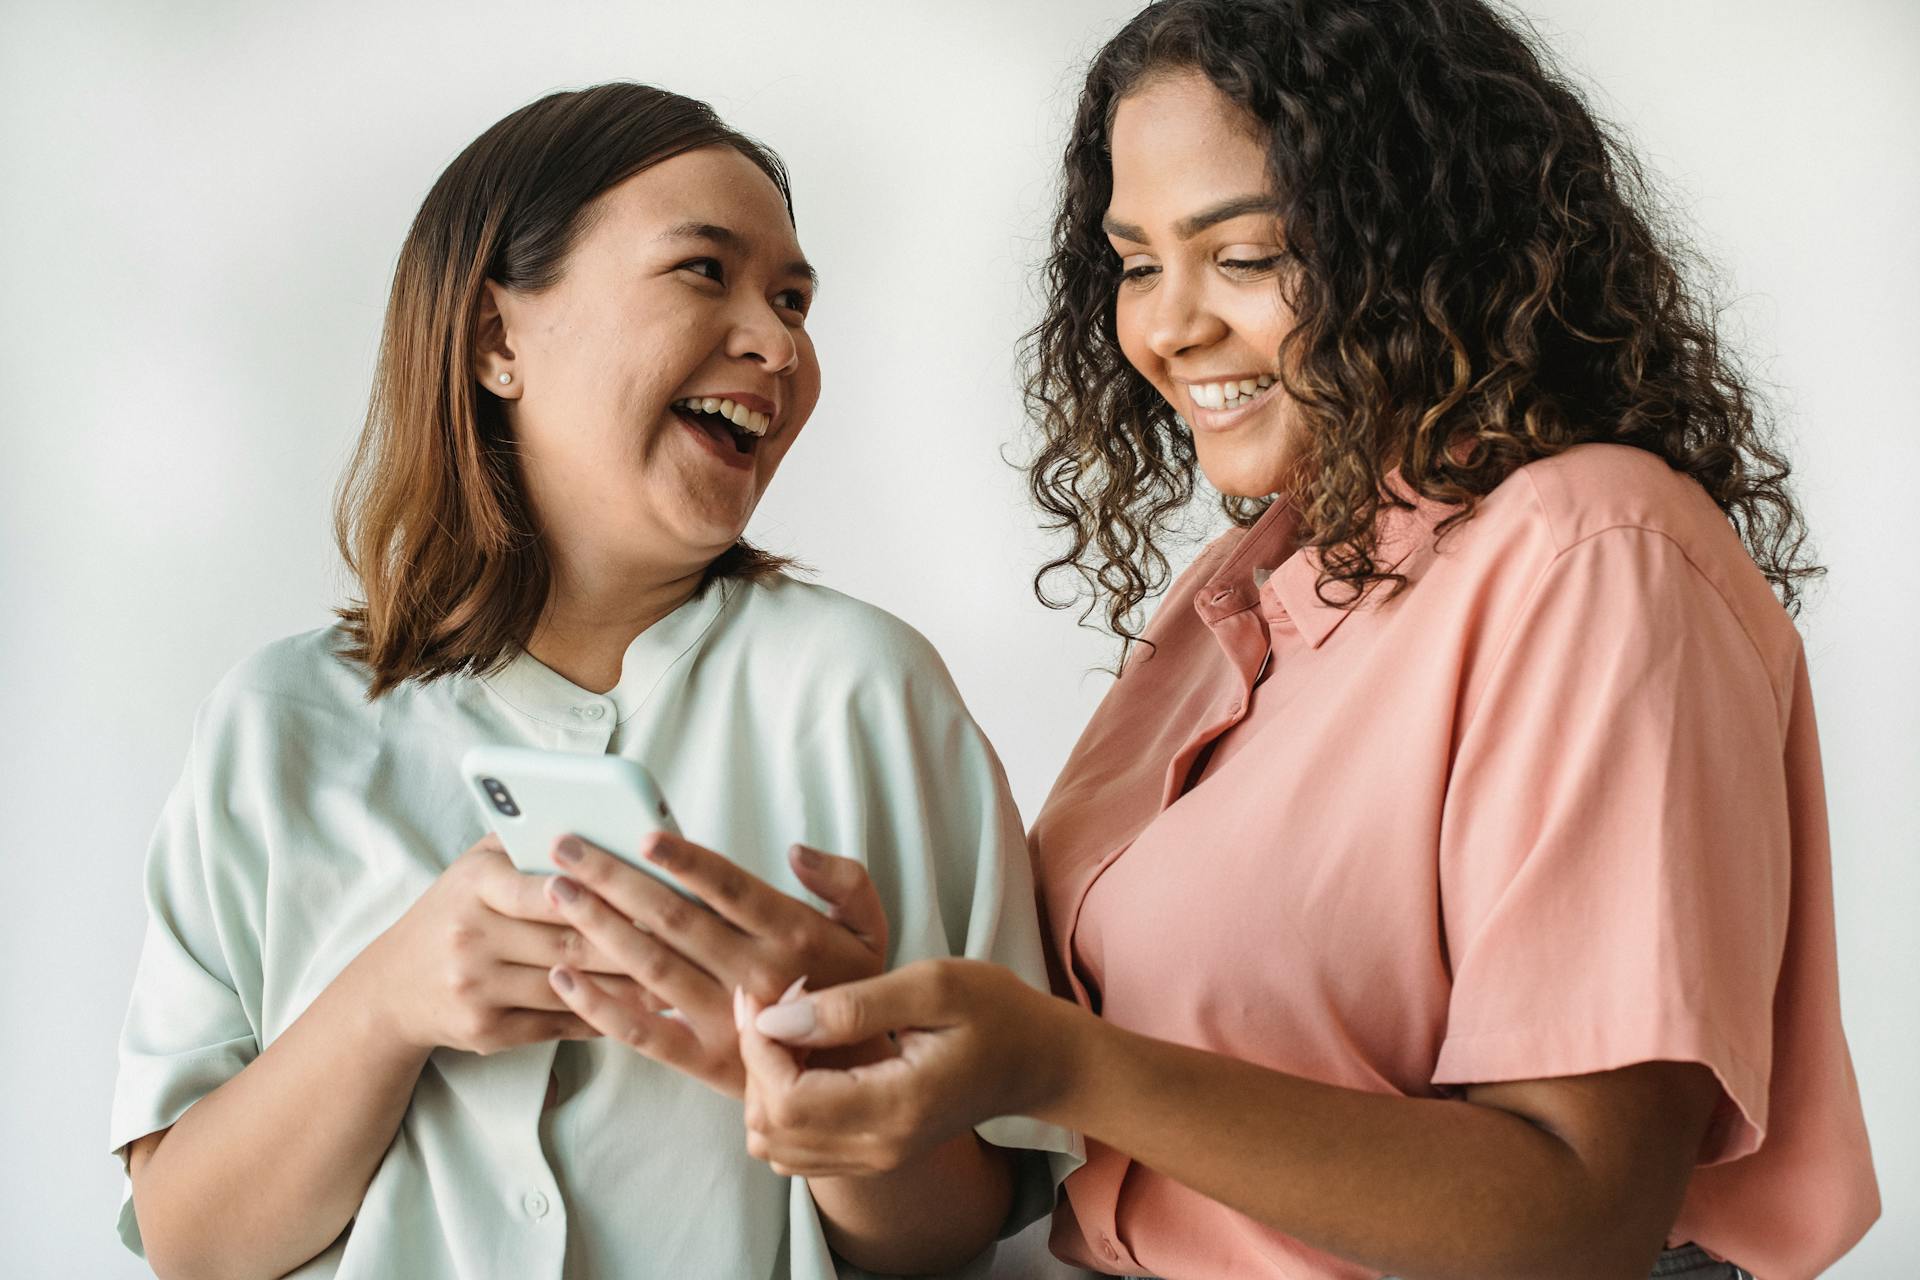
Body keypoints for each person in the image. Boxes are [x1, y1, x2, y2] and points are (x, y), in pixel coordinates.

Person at [711, 3, 1882, 1278]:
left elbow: (1579, 1211)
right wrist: (877, 1037)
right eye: (1136, 262)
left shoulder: (1593, 551)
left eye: (1248, 256)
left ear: (1430, 240)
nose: (1167, 328)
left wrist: (1064, 1063)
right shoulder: (1242, 584)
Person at [109, 82, 1072, 1280]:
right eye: (703, 271)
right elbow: (189, 1242)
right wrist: (388, 1000)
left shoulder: (868, 693)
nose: (779, 343)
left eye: (793, 299)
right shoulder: (275, 723)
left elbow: (959, 1230)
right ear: (495, 339)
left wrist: (845, 1102)